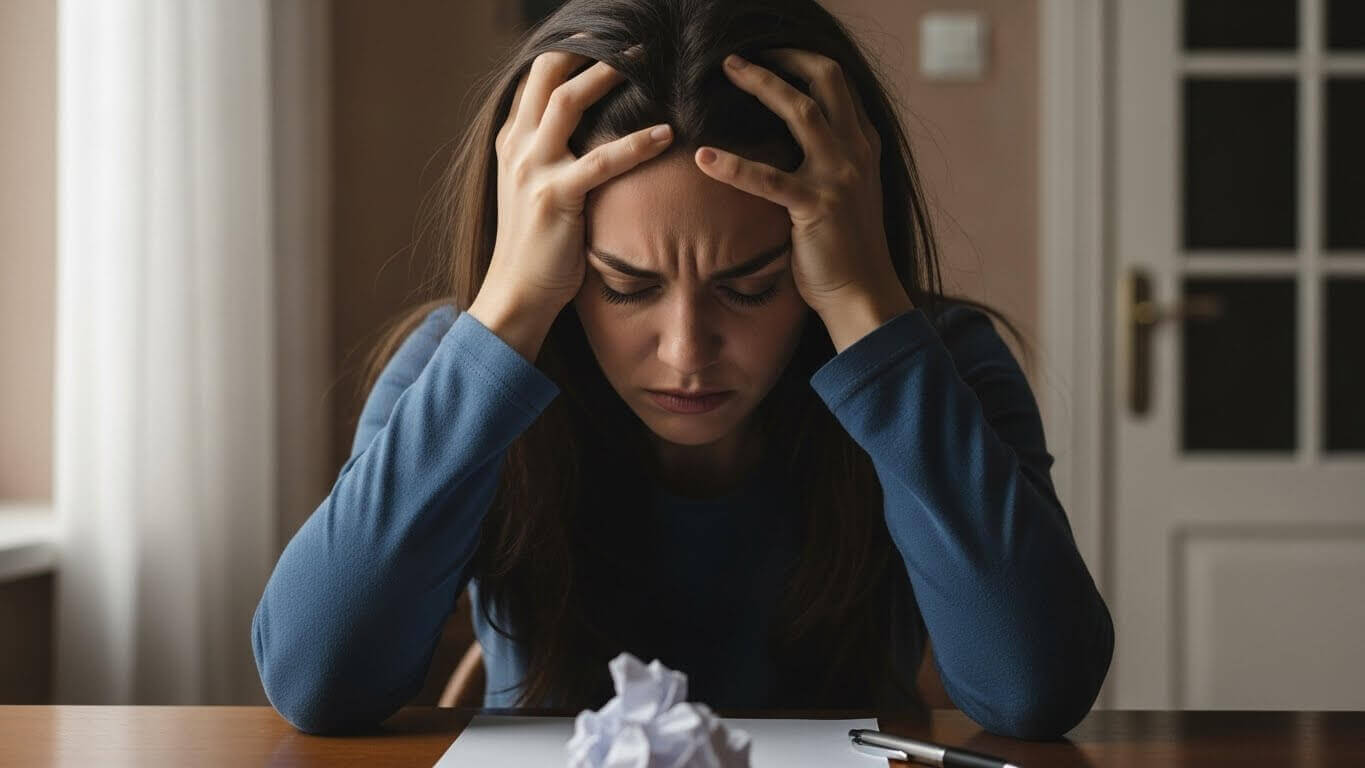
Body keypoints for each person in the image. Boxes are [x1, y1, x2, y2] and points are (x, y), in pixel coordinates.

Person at [251, 0, 1114, 740]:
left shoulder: (938, 362)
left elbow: (1032, 689)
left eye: (752, 287)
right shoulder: (459, 363)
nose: (685, 350)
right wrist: (507, 312)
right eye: (625, 286)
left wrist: (864, 304)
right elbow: (316, 681)